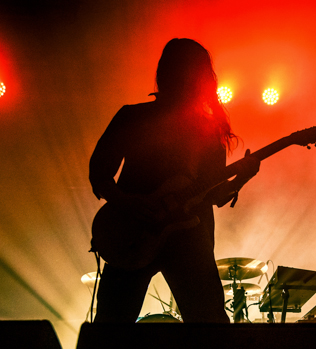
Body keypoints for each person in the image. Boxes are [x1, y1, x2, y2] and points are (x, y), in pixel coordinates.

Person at [89, 38, 259, 323]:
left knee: (116, 326)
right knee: (115, 325)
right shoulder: (133, 116)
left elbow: (213, 194)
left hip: (187, 236)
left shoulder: (206, 130)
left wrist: (242, 179)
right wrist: (129, 203)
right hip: (132, 232)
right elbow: (99, 175)